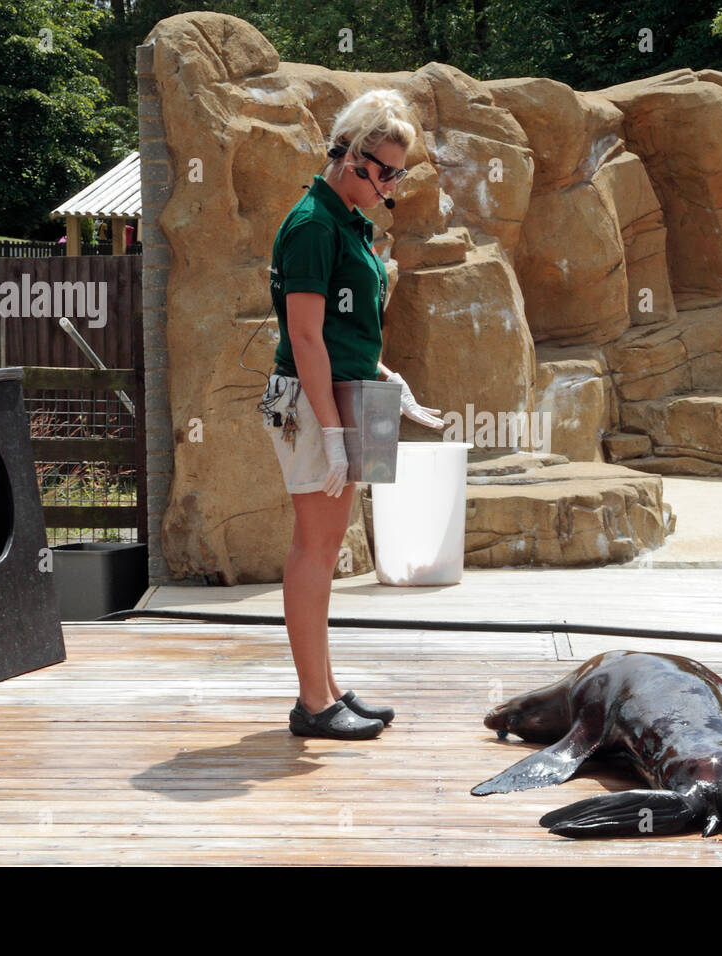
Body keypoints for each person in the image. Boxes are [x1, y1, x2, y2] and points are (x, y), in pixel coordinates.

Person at [262, 89, 446, 740]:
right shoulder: (314, 224)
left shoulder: (346, 221)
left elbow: (344, 329)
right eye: (389, 171)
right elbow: (305, 338)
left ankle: (327, 688)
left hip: (340, 393)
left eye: (400, 172)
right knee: (314, 549)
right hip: (313, 403)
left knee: (327, 545)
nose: (394, 185)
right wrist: (335, 436)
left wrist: (385, 376)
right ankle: (313, 705)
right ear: (353, 158)